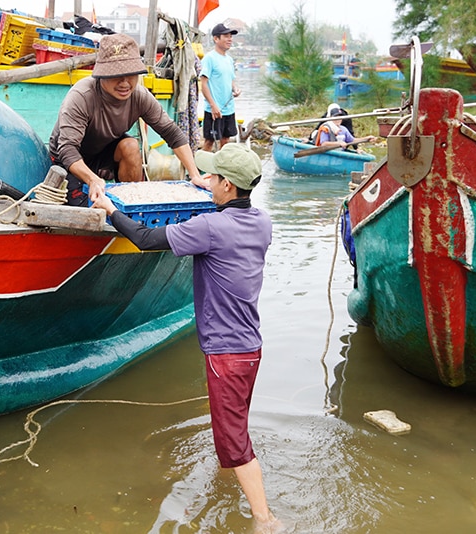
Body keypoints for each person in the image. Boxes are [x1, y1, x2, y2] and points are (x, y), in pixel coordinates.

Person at [91, 143, 280, 531]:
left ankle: (266, 520)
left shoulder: (210, 227)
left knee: (235, 438)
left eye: (211, 177)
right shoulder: (262, 222)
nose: (205, 181)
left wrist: (112, 211)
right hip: (250, 346)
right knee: (233, 425)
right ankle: (226, 478)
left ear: (228, 185)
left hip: (226, 353)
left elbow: (145, 239)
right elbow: (224, 224)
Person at [49, 33, 203, 206]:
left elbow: (171, 132)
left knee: (130, 146)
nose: (125, 83)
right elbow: (67, 149)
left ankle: (131, 203)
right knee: (82, 205)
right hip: (67, 159)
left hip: (103, 152)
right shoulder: (82, 96)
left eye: (131, 75)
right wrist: (92, 179)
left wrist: (195, 175)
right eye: (116, 75)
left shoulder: (139, 96)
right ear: (101, 75)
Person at [200, 23, 241, 151]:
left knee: (226, 140)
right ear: (216, 39)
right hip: (214, 110)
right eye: (226, 36)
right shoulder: (209, 59)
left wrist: (235, 89)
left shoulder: (229, 59)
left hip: (228, 108)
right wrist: (213, 105)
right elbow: (203, 84)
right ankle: (197, 170)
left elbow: (230, 80)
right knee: (209, 141)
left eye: (231, 36)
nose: (230, 39)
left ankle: (221, 170)